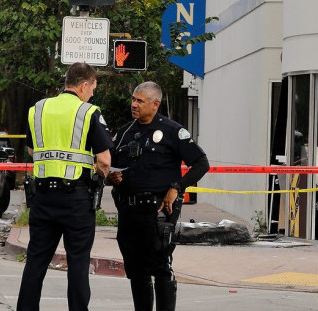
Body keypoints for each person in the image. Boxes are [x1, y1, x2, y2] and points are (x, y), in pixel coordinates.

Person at [16, 62, 113, 311]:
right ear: (83, 85)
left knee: (35, 262)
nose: (92, 94)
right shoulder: (89, 112)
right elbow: (104, 161)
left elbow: (31, 149)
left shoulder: (37, 109)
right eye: (92, 88)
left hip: (42, 198)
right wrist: (100, 176)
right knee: (78, 264)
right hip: (77, 200)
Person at [107, 81, 210, 311]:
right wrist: (110, 178)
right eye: (133, 99)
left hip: (159, 212)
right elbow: (109, 167)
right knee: (136, 270)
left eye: (139, 101)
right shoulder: (124, 133)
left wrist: (177, 187)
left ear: (155, 104)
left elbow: (201, 163)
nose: (134, 104)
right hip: (129, 210)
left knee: (161, 265)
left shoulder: (173, 131)